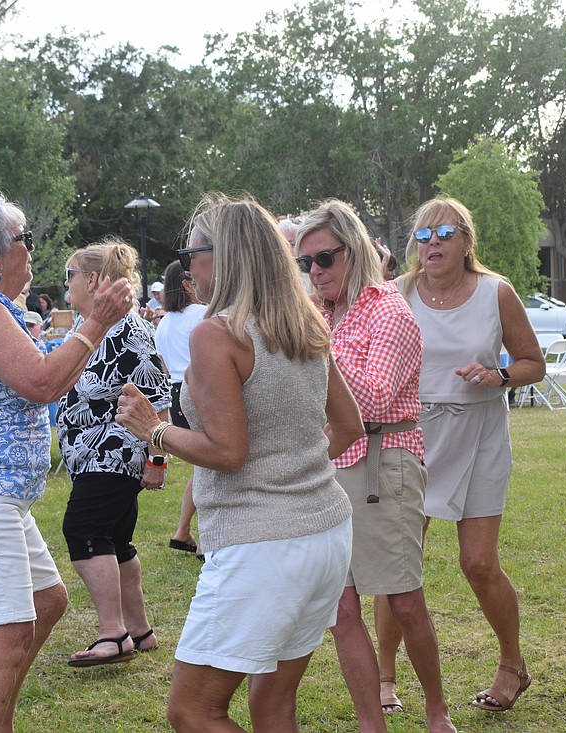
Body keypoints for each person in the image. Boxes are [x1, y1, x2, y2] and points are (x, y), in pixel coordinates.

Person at [115, 194, 364, 733]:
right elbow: (348, 428)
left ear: (223, 258)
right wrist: (295, 469)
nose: (186, 269)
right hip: (325, 534)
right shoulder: (302, 325)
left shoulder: (218, 333)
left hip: (262, 548)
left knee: (193, 711)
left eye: (192, 254)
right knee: (271, 707)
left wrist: (152, 428)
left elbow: (229, 453)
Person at [0, 192, 132, 730]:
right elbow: (42, 383)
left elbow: (44, 376)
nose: (32, 251)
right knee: (7, 639)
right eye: (26, 239)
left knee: (49, 602)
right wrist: (96, 323)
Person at [296, 200, 454, 732]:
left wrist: (317, 349)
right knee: (342, 611)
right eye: (305, 264)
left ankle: (438, 713)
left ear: (353, 249)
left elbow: (376, 399)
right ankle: (372, 723)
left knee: (404, 601)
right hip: (329, 465)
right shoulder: (323, 312)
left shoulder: (387, 310)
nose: (314, 273)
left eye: (323, 259)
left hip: (383, 463)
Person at [384, 196, 545, 714]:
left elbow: (533, 364)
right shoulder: (394, 294)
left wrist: (498, 375)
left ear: (466, 241)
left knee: (478, 562)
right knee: (399, 564)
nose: (432, 243)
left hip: (480, 435)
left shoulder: (497, 292)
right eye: (424, 235)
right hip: (411, 434)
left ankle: (512, 666)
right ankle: (385, 677)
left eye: (445, 233)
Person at [58, 239, 171, 666]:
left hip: (115, 452)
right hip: (90, 455)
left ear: (92, 279)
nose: (66, 284)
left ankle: (113, 633)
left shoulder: (128, 329)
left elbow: (159, 399)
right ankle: (140, 631)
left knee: (83, 528)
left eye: (70, 276)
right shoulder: (87, 326)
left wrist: (158, 460)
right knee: (116, 540)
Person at [154, 260, 206, 560]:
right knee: (210, 469)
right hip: (199, 388)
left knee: (203, 469)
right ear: (187, 284)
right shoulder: (201, 314)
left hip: (176, 393)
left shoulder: (164, 323)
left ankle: (183, 531)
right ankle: (195, 536)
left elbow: (164, 365)